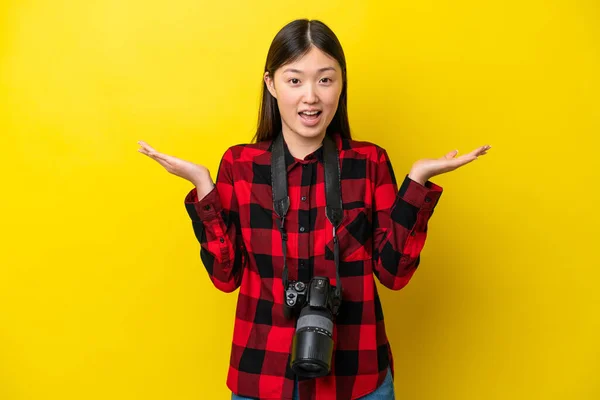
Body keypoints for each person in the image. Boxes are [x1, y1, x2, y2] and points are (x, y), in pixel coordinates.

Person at [138, 18, 490, 400]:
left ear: (341, 85)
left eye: (325, 79)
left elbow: (394, 274)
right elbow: (226, 277)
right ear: (270, 84)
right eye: (294, 80)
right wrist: (203, 186)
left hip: (358, 378)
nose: (311, 96)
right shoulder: (240, 166)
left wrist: (417, 182)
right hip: (264, 376)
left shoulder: (368, 163)